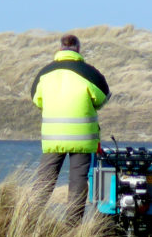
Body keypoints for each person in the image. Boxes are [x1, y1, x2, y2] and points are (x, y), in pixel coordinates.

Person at [30, 34, 110, 223]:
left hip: (53, 137)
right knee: (78, 183)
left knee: (44, 181)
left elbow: (36, 99)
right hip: (82, 138)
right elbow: (103, 97)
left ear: (60, 48)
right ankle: (72, 226)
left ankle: (29, 221)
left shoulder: (44, 73)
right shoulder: (89, 73)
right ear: (78, 49)